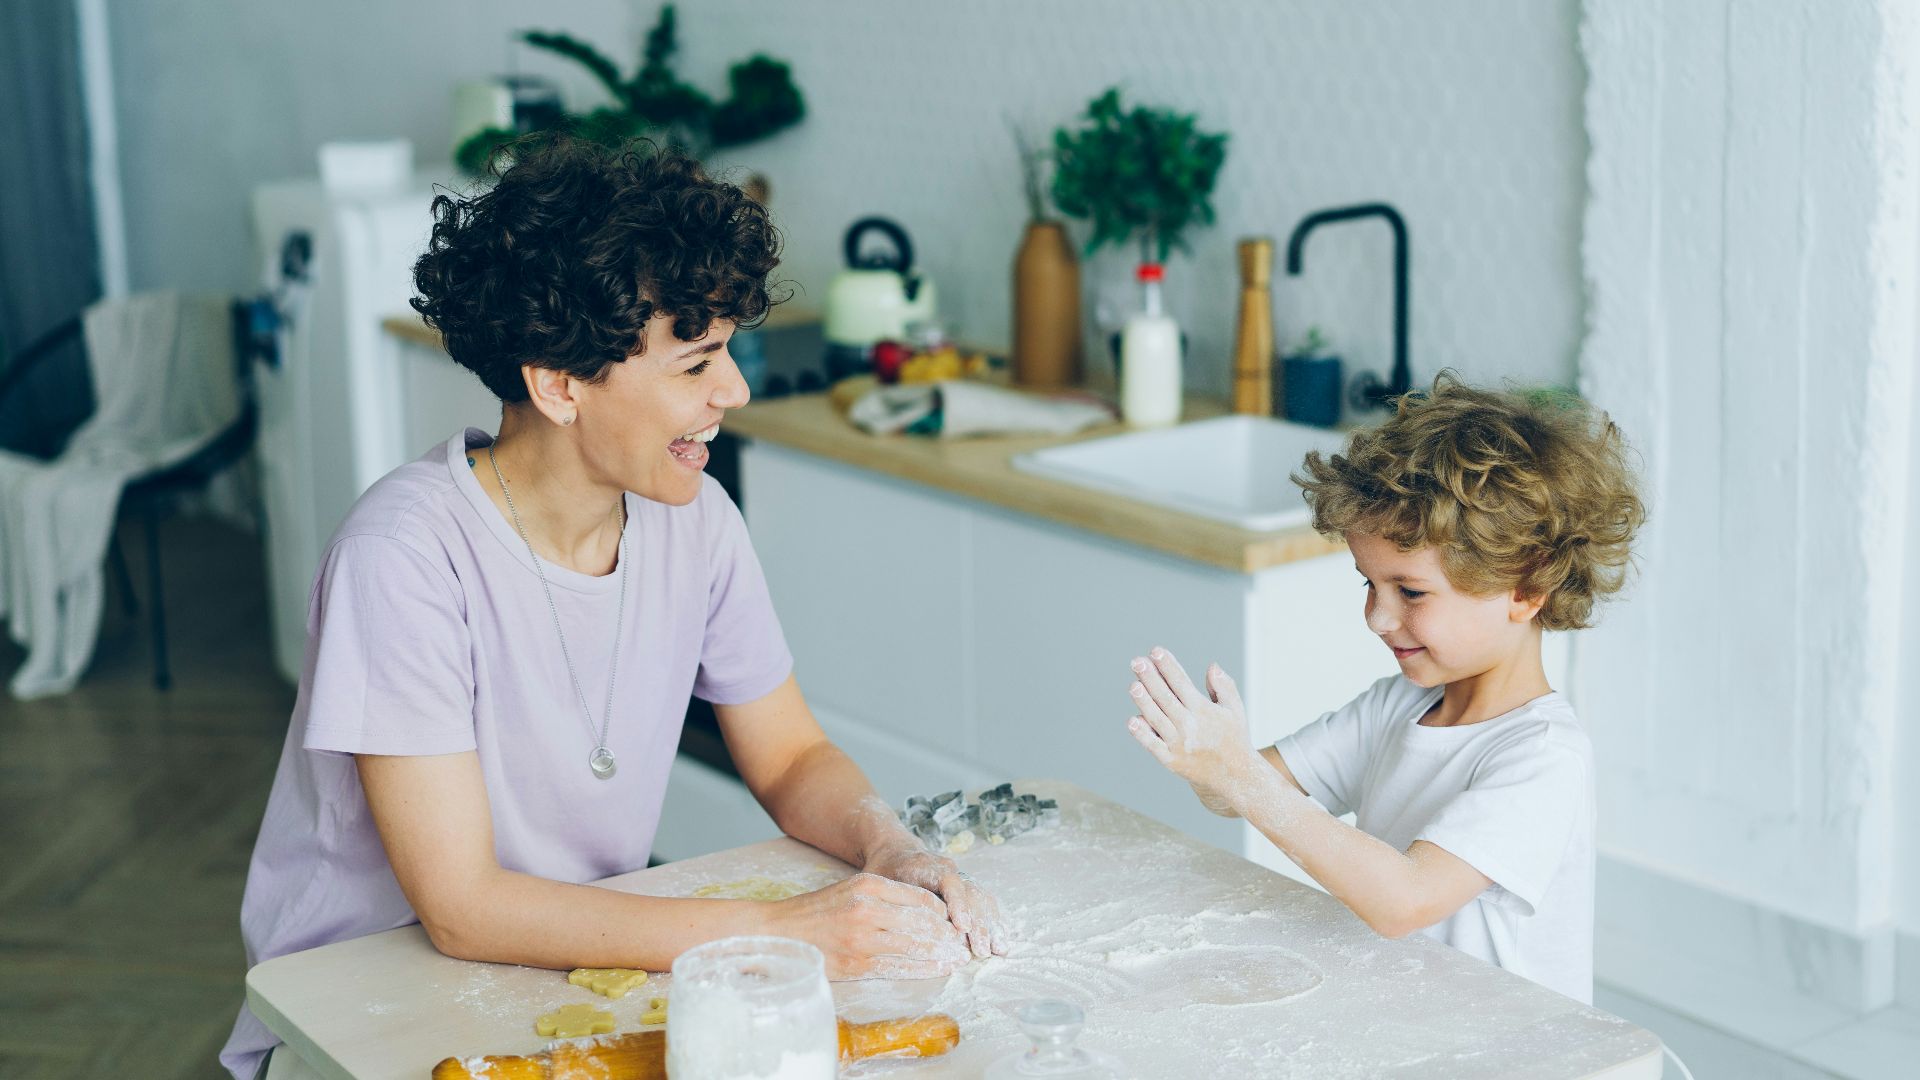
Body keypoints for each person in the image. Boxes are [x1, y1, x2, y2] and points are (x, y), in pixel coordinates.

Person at [220, 137, 1001, 1080]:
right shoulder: (403, 559)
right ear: (558, 385)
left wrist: (890, 847)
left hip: (565, 972)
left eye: (729, 353)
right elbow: (462, 907)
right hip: (356, 1011)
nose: (736, 391)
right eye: (695, 363)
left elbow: (791, 755)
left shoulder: (696, 520)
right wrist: (779, 935)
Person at [1123, 373, 1644, 1003]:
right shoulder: (1398, 706)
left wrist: (1238, 776)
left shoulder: (1540, 758)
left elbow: (1405, 901)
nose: (1377, 616)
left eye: (1411, 592)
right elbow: (1236, 795)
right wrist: (1210, 756)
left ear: (1526, 588)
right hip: (1410, 1022)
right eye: (1368, 583)